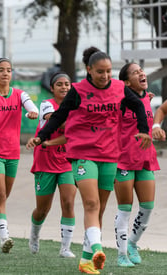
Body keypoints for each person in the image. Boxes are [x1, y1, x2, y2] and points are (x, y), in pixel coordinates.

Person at [28, 47, 152, 275]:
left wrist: (144, 130)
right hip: (83, 154)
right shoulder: (77, 91)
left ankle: (86, 261)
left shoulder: (118, 88)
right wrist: (42, 136)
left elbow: (138, 106)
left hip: (110, 155)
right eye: (100, 72)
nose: (105, 76)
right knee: (91, 204)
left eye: (108, 71)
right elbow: (59, 116)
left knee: (101, 208)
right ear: (89, 70)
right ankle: (96, 248)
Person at [0, 57, 39, 253]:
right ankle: (4, 237)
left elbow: (33, 107)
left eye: (9, 70)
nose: (5, 73)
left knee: (2, 198)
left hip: (12, 153)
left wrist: (32, 113)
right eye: (1, 70)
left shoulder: (20, 94)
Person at [114, 63, 160, 267]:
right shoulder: (120, 100)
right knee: (125, 209)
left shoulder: (146, 99)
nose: (142, 73)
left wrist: (157, 127)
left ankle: (132, 244)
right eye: (135, 72)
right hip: (123, 160)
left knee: (148, 207)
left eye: (142, 70)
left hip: (146, 159)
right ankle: (122, 254)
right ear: (125, 82)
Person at [26, 72, 77, 258]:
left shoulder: (76, 107)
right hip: (45, 161)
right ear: (52, 88)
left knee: (69, 202)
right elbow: (58, 123)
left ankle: (65, 247)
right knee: (42, 209)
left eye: (67, 84)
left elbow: (70, 134)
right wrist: (75, 122)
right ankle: (34, 235)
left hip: (67, 162)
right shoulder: (46, 104)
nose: (64, 87)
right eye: (60, 84)